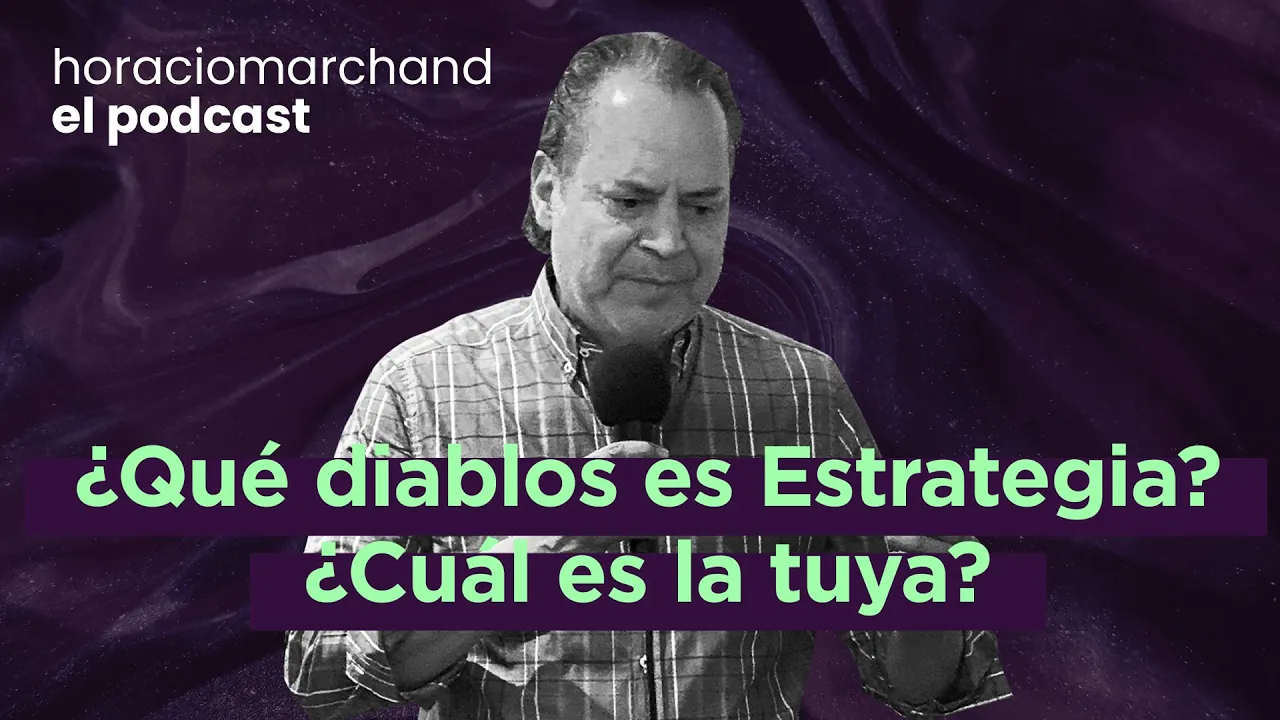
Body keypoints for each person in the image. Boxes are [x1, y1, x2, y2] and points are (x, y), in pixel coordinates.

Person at [284, 31, 1011, 720]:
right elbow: (321, 671)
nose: (668, 241)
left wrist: (930, 606)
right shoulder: (423, 386)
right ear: (547, 191)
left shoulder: (801, 391)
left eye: (702, 206)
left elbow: (919, 686)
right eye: (630, 201)